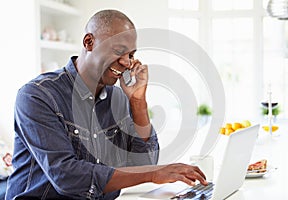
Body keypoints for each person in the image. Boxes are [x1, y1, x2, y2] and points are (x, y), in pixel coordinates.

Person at [5, 9, 207, 199]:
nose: (127, 63)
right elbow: (66, 176)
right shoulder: (37, 96)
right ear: (89, 42)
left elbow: (143, 163)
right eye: (119, 50)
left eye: (131, 55)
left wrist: (137, 102)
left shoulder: (118, 98)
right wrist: (153, 173)